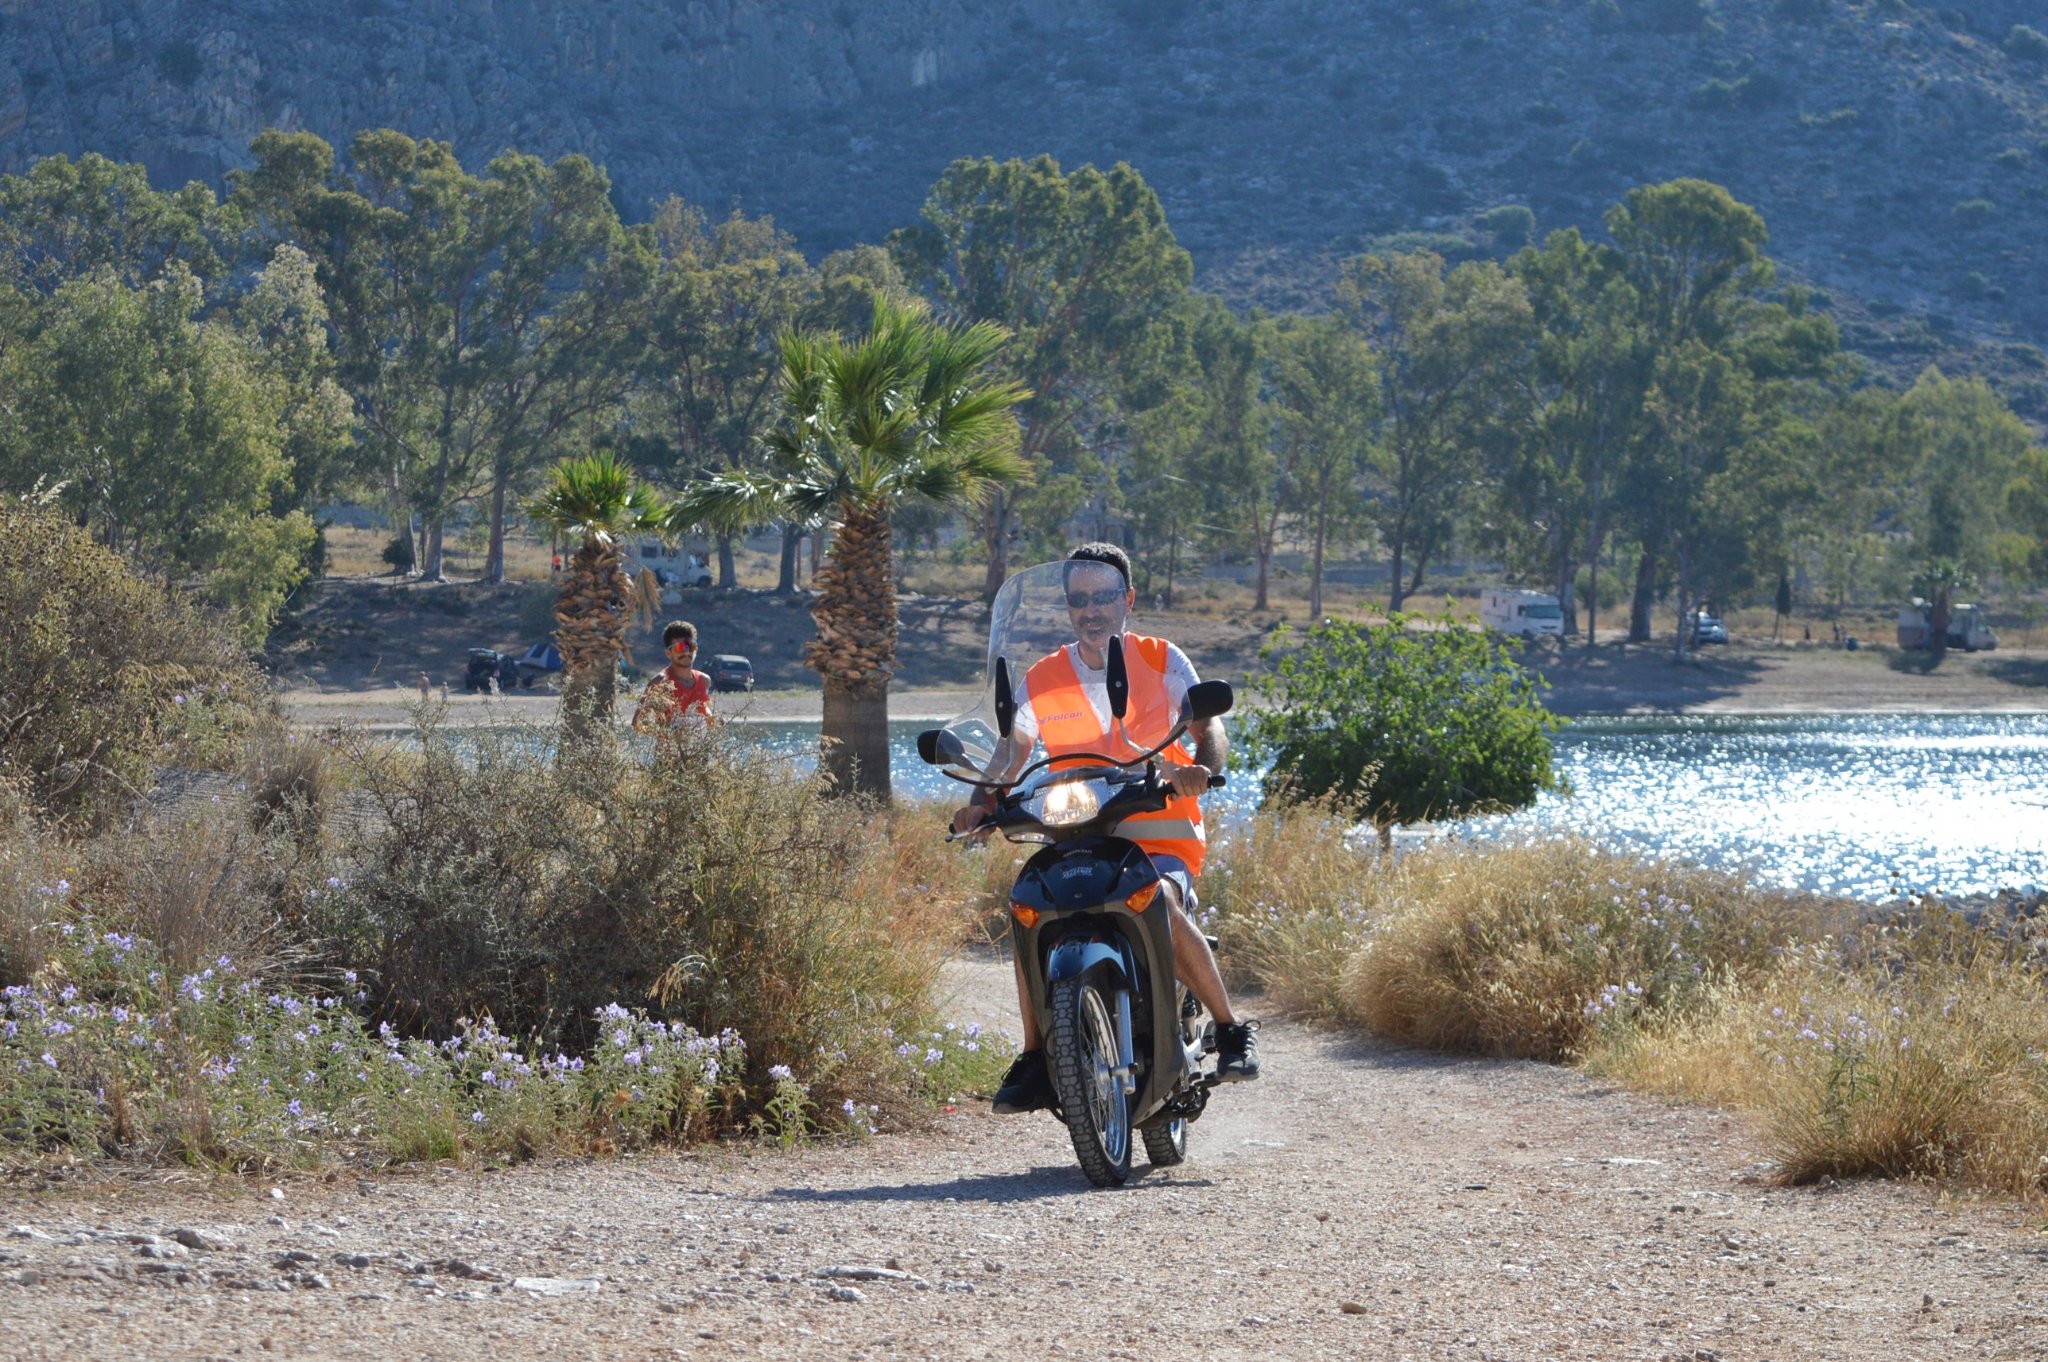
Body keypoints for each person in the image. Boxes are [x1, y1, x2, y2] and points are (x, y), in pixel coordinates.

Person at [952, 543, 1260, 1115]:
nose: (1091, 610)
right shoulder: (1043, 678)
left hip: (1158, 833)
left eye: (1103, 597)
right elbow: (1008, 758)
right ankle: (1035, 1056)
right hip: (1076, 833)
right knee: (1026, 908)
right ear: (1068, 607)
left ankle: (1232, 1029)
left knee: (1160, 899)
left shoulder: (1162, 659)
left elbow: (1207, 727)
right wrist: (979, 802)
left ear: (1128, 600)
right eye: (1079, 600)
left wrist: (1202, 770)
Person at [631, 620, 715, 737]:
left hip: (699, 754)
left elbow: (704, 711)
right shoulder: (660, 682)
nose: (686, 652)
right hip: (669, 754)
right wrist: (670, 733)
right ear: (668, 653)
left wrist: (713, 720)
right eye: (680, 647)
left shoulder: (704, 680)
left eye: (691, 646)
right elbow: (637, 724)